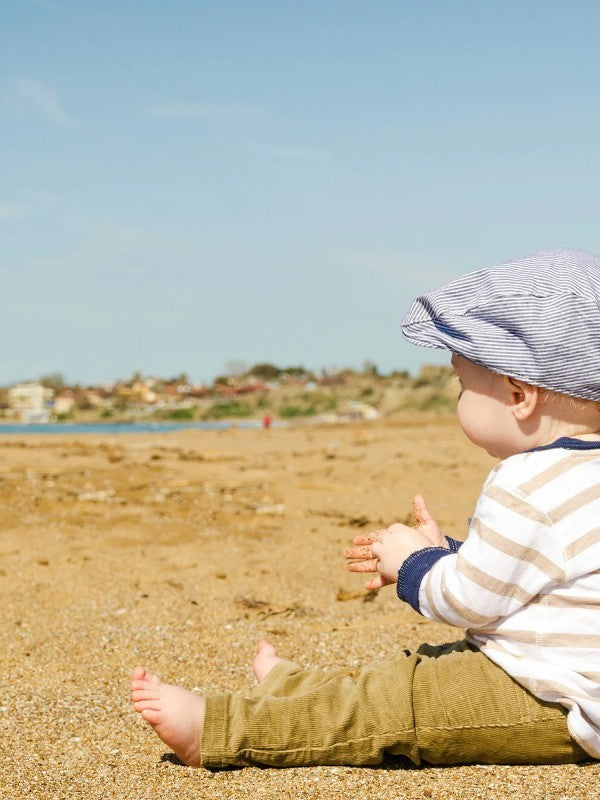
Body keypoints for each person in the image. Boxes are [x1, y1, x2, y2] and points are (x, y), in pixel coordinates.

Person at [131, 248, 600, 769]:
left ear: (518, 395)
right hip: (563, 675)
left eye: (463, 383)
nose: (458, 397)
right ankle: (296, 687)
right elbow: (539, 575)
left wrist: (414, 565)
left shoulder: (527, 480)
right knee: (415, 675)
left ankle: (221, 729)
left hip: (557, 698)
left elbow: (471, 603)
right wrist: (445, 552)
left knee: (400, 704)